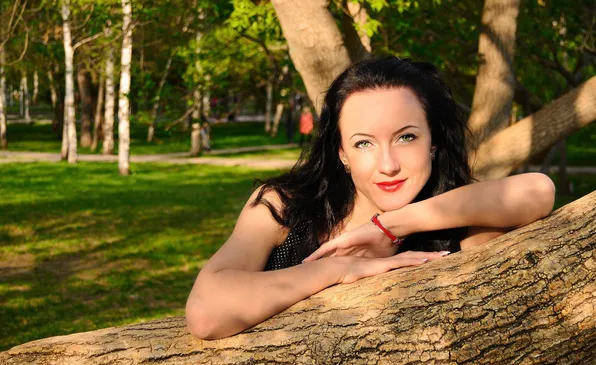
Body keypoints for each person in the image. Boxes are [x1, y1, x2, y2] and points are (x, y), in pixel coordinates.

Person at [186, 57, 555, 340]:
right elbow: (206, 313)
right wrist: (338, 270)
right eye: (364, 143)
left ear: (433, 142)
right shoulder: (285, 205)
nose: (388, 165)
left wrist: (389, 226)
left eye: (406, 137)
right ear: (342, 153)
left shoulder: (453, 224)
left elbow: (538, 192)